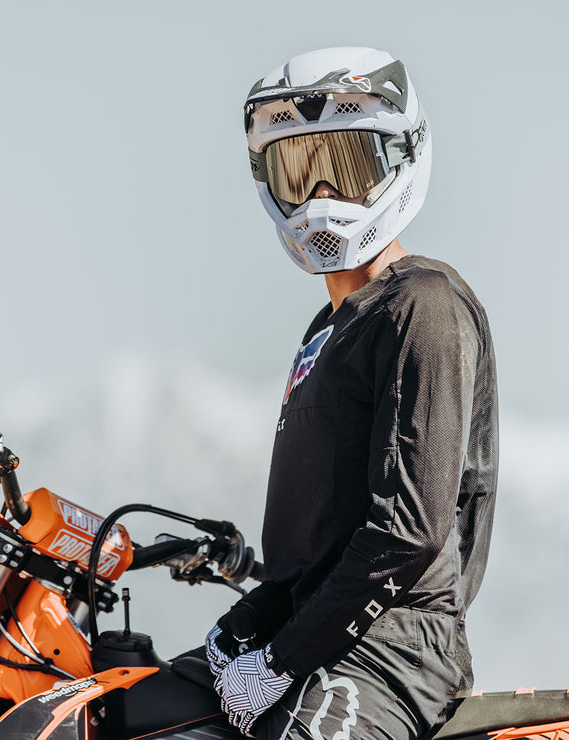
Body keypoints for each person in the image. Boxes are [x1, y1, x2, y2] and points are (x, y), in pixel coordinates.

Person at [204, 46, 499, 739]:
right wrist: (247, 622)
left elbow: (407, 531)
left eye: (347, 166)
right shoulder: (327, 328)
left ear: (402, 157)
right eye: (298, 170)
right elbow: (317, 538)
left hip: (396, 649)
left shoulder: (423, 304)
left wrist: (281, 660)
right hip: (312, 629)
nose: (321, 196)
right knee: (122, 707)